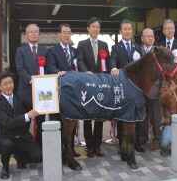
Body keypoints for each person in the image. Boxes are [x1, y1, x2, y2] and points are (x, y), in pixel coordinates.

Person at [0, 72, 42, 180]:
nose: (9, 86)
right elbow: (7, 123)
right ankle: (5, 167)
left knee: (38, 157)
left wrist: (51, 92)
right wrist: (26, 116)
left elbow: (37, 106)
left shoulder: (21, 97)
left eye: (10, 82)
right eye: (5, 84)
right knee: (6, 145)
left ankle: (21, 159)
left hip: (23, 136)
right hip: (7, 137)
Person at [76, 17, 109, 158]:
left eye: (98, 27)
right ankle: (89, 147)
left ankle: (97, 146)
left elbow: (107, 62)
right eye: (93, 26)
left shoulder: (104, 44)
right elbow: (80, 60)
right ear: (88, 28)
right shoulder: (82, 44)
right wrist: (85, 72)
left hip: (100, 84)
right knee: (88, 116)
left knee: (100, 116)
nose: (95, 29)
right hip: (88, 84)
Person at [109, 19, 144, 153]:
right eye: (125, 29)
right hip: (123, 87)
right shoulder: (116, 47)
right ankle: (122, 144)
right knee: (122, 115)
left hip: (136, 88)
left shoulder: (137, 47)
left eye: (129, 29)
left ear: (132, 31)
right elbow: (112, 60)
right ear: (120, 31)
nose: (127, 31)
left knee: (137, 114)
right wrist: (114, 69)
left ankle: (136, 144)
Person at [46, 23, 80, 157]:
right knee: (59, 122)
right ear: (58, 34)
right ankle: (59, 152)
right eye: (64, 32)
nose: (67, 35)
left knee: (71, 122)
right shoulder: (52, 51)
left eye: (69, 32)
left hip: (72, 93)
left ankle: (70, 150)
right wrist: (60, 73)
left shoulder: (74, 51)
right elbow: (51, 68)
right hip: (59, 91)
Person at [15, 23, 48, 146]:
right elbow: (20, 69)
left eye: (36, 31)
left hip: (42, 93)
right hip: (26, 92)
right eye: (31, 31)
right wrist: (32, 80)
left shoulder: (45, 51)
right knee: (25, 123)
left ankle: (39, 149)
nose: (34, 33)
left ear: (39, 34)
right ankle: (24, 152)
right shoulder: (20, 51)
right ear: (26, 35)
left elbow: (48, 70)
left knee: (41, 123)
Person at [139, 28, 162, 151]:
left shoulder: (159, 52)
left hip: (155, 90)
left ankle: (157, 139)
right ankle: (143, 137)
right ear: (142, 38)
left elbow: (164, 72)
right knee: (143, 115)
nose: (150, 38)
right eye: (147, 36)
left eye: (152, 36)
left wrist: (162, 88)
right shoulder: (137, 51)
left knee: (155, 116)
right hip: (141, 90)